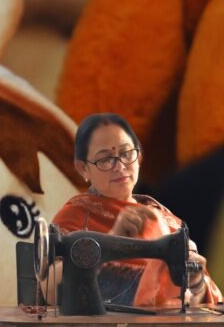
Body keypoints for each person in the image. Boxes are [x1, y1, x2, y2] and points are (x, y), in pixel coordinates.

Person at [46, 113, 222, 307]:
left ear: (139, 157)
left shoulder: (169, 220)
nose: (120, 166)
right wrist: (111, 241)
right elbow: (49, 292)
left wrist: (197, 283)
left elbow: (211, 303)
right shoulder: (75, 216)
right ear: (83, 169)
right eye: (105, 159)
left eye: (126, 154)